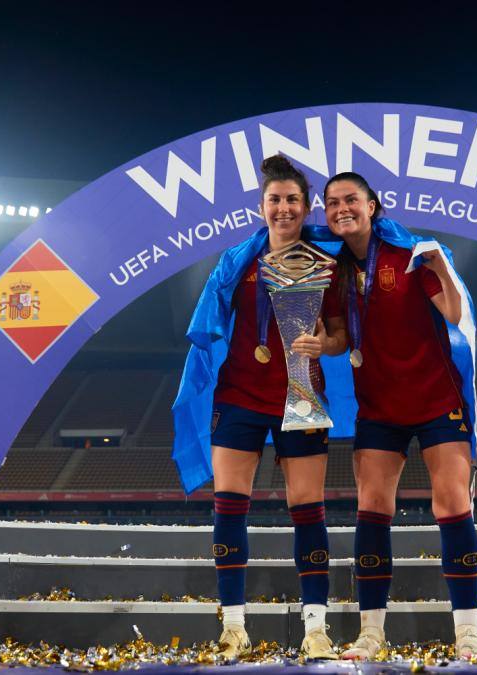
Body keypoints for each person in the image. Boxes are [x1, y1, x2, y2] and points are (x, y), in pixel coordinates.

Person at [178, 155, 347, 660]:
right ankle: (233, 627)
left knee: (308, 510)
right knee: (229, 507)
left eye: (292, 199)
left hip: (302, 395)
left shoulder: (328, 265)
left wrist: (327, 346)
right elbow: (210, 326)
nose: (283, 208)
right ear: (262, 206)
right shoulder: (237, 264)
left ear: (306, 205)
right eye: (274, 199)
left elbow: (339, 334)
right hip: (240, 397)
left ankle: (316, 628)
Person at [323, 172, 477, 660]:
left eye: (351, 199)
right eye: (331, 203)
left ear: (373, 206)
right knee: (372, 508)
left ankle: (468, 635)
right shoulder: (331, 272)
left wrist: (443, 268)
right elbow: (338, 337)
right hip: (379, 406)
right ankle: (371, 634)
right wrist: (315, 341)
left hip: (437, 399)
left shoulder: (412, 254)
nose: (341, 208)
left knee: (452, 504)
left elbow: (456, 314)